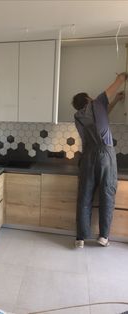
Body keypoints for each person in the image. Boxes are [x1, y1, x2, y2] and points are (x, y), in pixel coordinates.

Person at [72, 72, 128, 248]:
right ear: (89, 98)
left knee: (85, 196)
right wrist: (122, 77)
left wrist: (117, 101)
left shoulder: (78, 116)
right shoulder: (97, 103)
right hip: (106, 154)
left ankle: (80, 238)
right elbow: (116, 83)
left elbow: (103, 114)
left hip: (87, 156)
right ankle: (103, 237)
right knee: (107, 194)